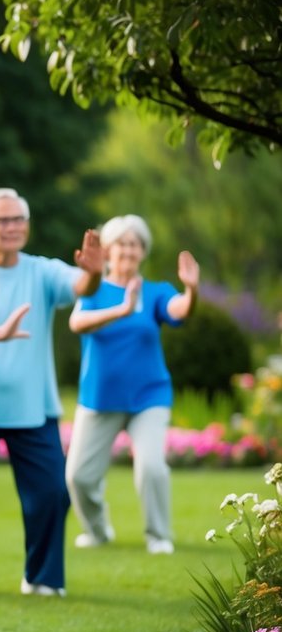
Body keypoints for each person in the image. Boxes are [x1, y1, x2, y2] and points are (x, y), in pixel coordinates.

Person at [0, 187, 103, 598]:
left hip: (32, 408)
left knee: (50, 494)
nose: (12, 228)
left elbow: (82, 285)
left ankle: (43, 577)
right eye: (2, 220)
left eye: (18, 220)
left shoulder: (42, 271)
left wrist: (95, 272)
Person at [65, 214, 199, 555]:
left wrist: (192, 290)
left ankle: (159, 535)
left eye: (135, 244)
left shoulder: (155, 292)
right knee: (79, 477)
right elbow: (77, 322)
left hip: (148, 396)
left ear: (143, 251)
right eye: (122, 243)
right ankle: (97, 531)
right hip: (99, 397)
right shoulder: (93, 287)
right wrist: (122, 311)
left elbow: (179, 309)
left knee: (152, 466)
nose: (129, 249)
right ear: (107, 251)